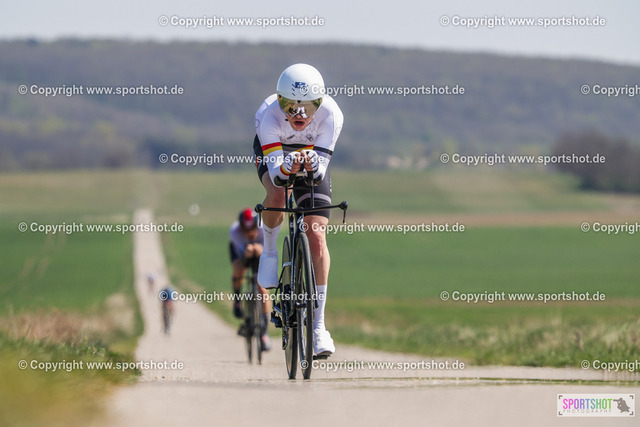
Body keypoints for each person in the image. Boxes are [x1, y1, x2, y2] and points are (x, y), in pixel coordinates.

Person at [253, 63, 344, 357]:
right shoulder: (267, 115)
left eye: (308, 106)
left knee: (316, 234)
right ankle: (269, 251)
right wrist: (286, 168)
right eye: (290, 106)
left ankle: (318, 327)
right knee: (278, 192)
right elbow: (278, 176)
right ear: (279, 101)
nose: (299, 114)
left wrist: (312, 165)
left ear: (320, 102)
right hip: (276, 153)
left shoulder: (332, 115)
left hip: (312, 155)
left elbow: (319, 174)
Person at [229, 208, 271, 351]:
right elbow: (242, 257)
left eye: (252, 229)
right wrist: (248, 252)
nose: (249, 234)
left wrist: (258, 250)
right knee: (239, 271)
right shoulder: (234, 232)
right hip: (241, 253)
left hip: (261, 253)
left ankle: (264, 330)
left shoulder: (264, 229)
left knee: (263, 289)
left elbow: (268, 252)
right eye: (245, 231)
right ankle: (237, 299)